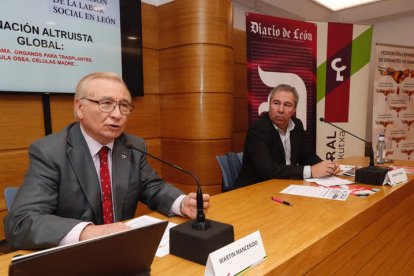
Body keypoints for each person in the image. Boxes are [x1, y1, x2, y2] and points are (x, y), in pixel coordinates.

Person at [4, 72, 210, 249]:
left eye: (124, 106)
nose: (118, 114)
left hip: (124, 252)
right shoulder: (50, 152)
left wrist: (181, 203)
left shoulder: (132, 145)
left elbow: (151, 186)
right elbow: (21, 222)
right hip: (74, 258)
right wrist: (86, 232)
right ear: (79, 108)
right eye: (106, 104)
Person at [234, 84, 340, 188]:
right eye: (276, 103)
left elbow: (306, 156)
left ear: (294, 110)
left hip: (283, 186)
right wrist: (311, 171)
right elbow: (267, 169)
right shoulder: (258, 129)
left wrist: (327, 167)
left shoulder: (297, 125)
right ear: (269, 105)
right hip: (254, 190)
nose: (280, 110)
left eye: (287, 105)